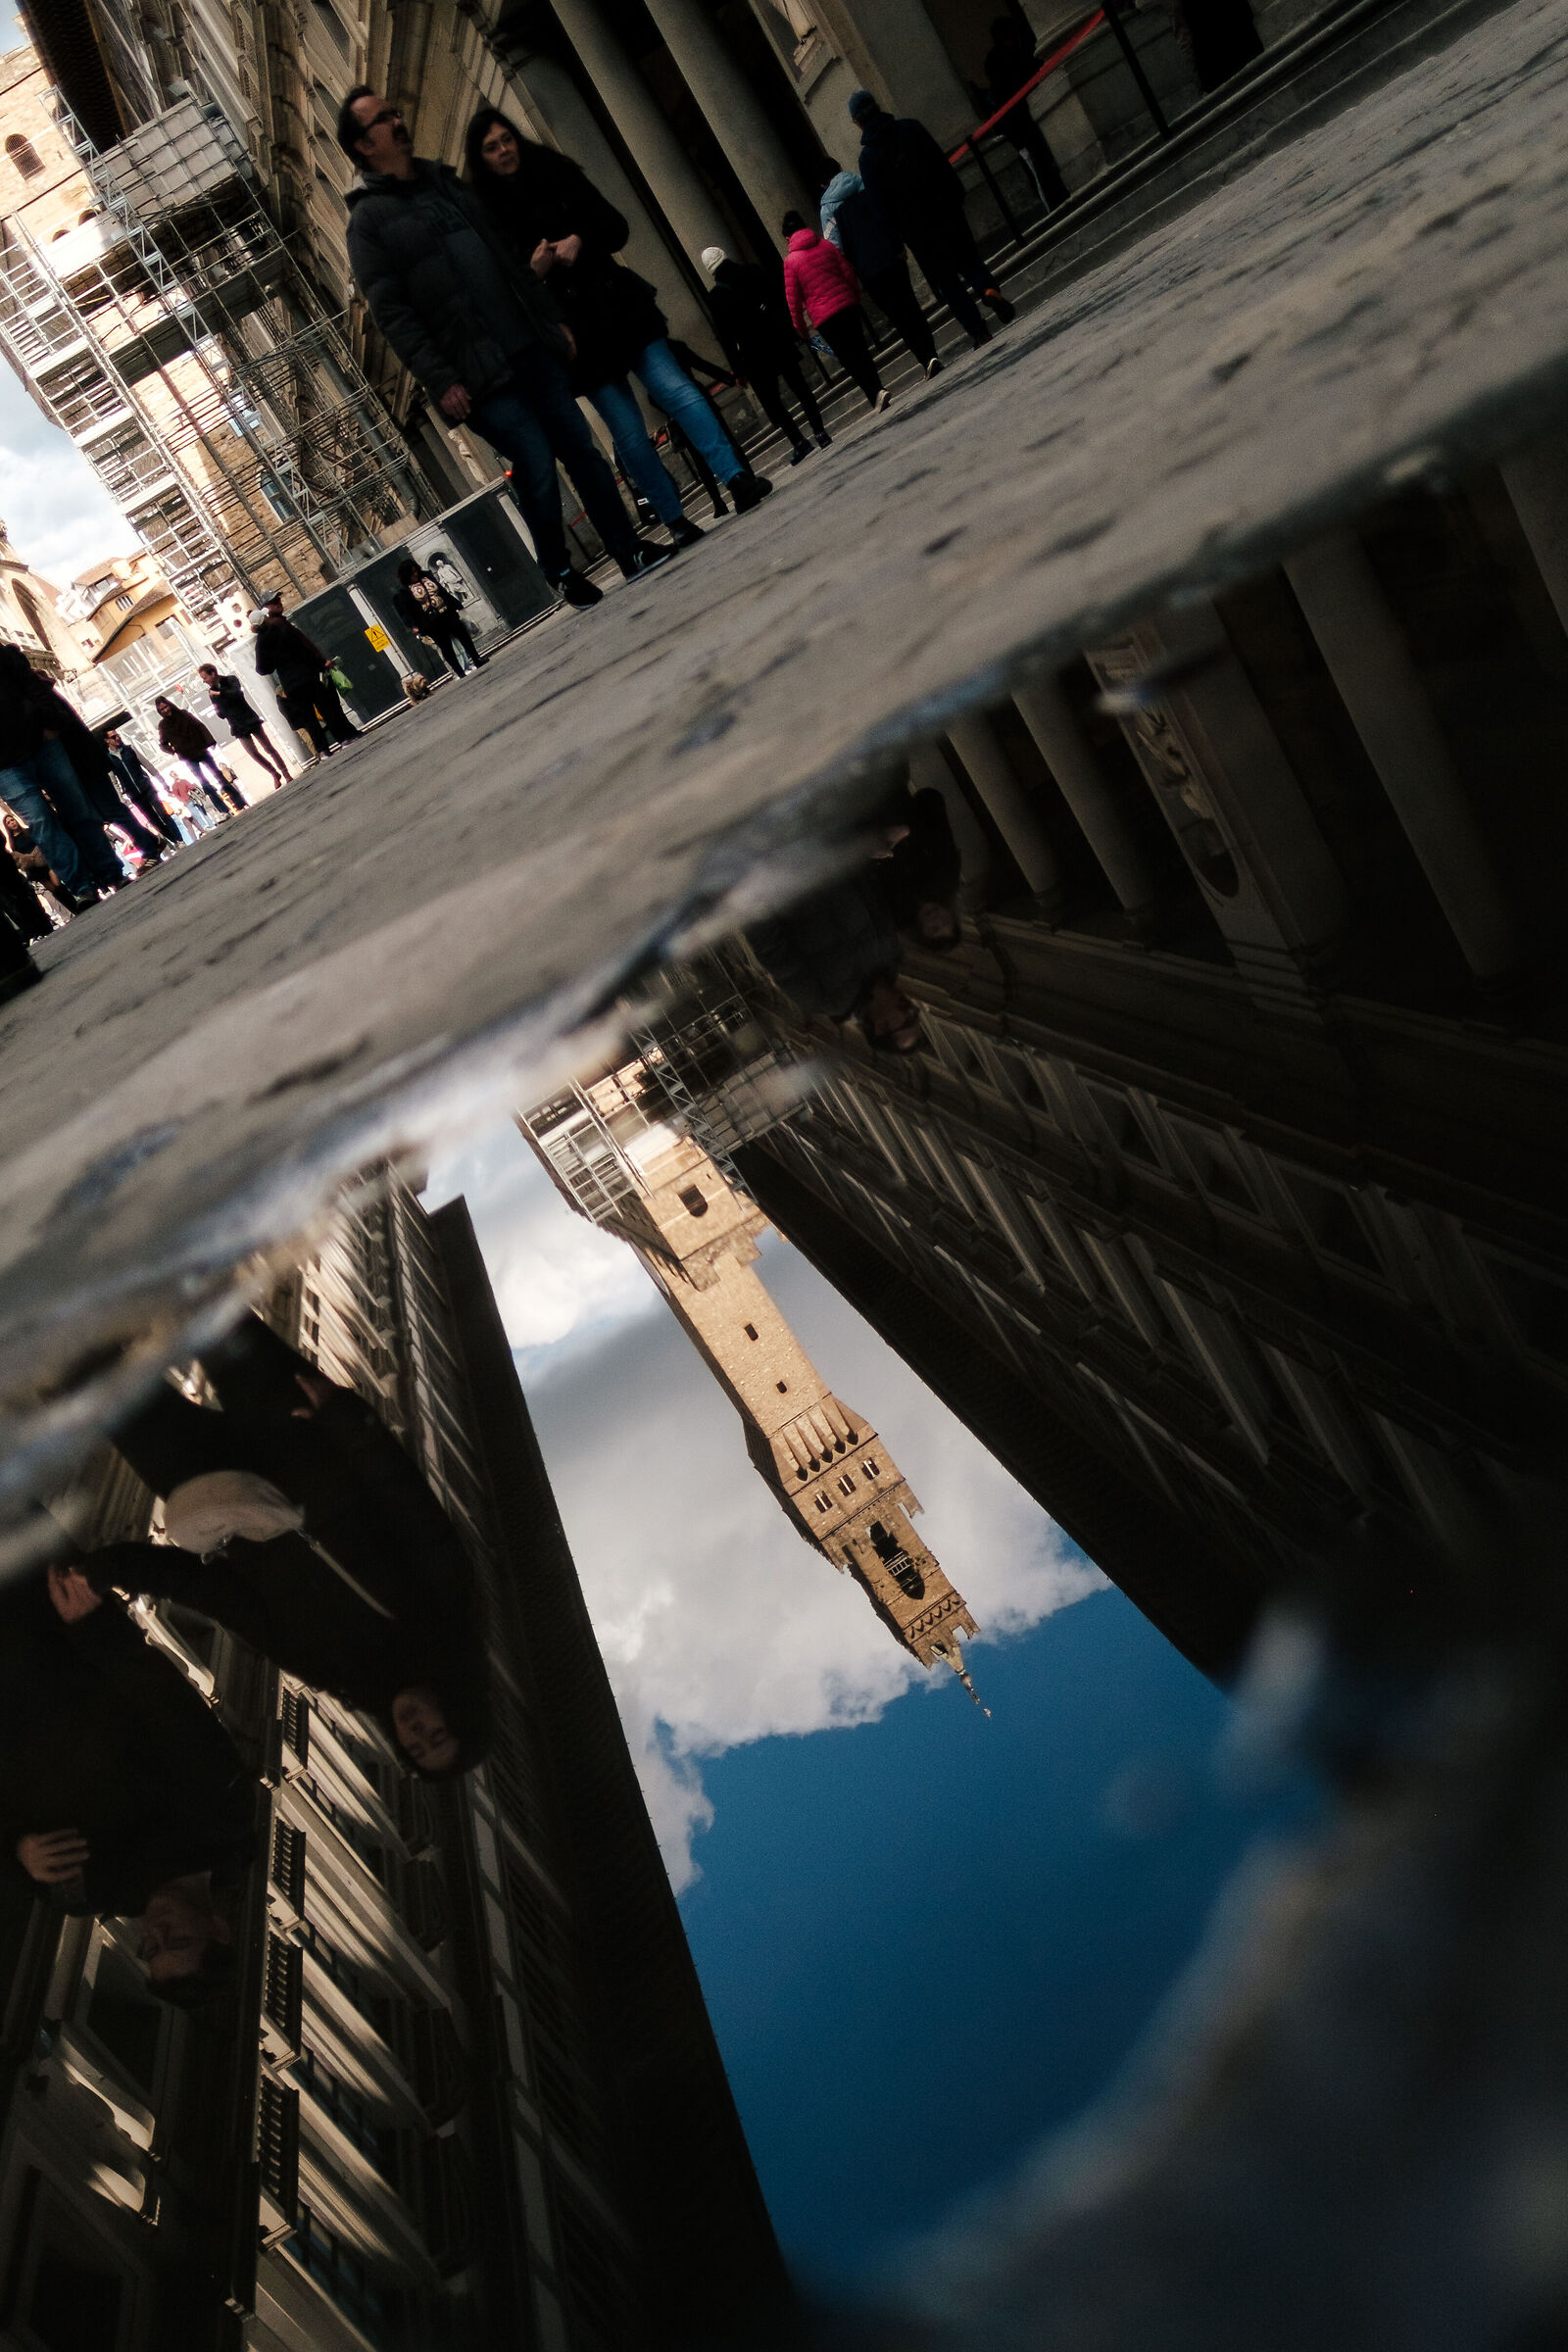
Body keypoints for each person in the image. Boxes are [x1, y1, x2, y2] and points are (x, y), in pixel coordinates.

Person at [86, 1312, 491, 1778]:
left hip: (222, 1493)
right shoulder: (451, 1610)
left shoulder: (335, 1672)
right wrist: (347, 1420)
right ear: (456, 1708)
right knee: (204, 1302)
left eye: (415, 1747)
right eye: (435, 1733)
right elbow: (407, 1502)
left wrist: (109, 1568)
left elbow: (220, 1598)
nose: (416, 1730)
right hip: (298, 1436)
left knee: (100, 1387)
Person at [342, 89, 662, 608]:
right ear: (363, 144)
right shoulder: (368, 224)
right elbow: (393, 314)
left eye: (396, 112)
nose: (398, 121)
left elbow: (509, 259)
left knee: (581, 449)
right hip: (476, 374)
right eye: (383, 119)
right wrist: (440, 380)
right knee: (535, 459)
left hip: (529, 345)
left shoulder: (446, 184)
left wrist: (550, 317)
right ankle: (559, 568)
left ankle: (629, 550)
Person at [465, 107, 770, 551]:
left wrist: (579, 239)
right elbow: (500, 294)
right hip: (575, 333)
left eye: (506, 139)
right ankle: (675, 519)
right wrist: (535, 272)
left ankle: (737, 479)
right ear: (482, 157)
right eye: (491, 147)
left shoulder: (557, 171)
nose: (504, 150)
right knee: (627, 430)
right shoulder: (484, 219)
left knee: (677, 390)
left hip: (617, 305)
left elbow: (616, 226)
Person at [0, 1557, 258, 1999]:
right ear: (218, 1928)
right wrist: (95, 1626)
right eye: (177, 1939)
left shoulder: (86, 1893)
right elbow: (169, 1706)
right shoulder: (221, 1817)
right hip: (39, 1631)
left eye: (151, 1947)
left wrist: (18, 1852)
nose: (157, 1931)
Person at [849, 88, 1014, 351]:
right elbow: (940, 162)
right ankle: (987, 289)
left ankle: (979, 331)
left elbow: (880, 205)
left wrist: (895, 242)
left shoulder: (868, 158)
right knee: (968, 257)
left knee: (946, 280)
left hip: (915, 227)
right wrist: (956, 193)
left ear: (858, 122)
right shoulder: (910, 128)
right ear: (878, 107)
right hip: (944, 206)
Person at [747, 868, 925, 1051]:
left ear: (880, 1028)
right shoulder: (892, 957)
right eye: (915, 1015)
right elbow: (870, 892)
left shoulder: (822, 999)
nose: (911, 1010)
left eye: (907, 1021)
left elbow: (770, 947)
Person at [0, 646, 123, 901]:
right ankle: (82, 887)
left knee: (77, 807)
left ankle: (110, 872)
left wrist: (49, 722)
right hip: (5, 766)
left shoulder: (3, 655)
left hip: (42, 742)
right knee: (41, 821)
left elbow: (32, 684)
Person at [702, 245, 830, 464]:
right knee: (801, 388)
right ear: (725, 255)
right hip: (777, 339)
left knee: (773, 402)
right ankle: (819, 431)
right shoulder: (753, 272)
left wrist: (737, 371)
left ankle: (798, 441)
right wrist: (793, 330)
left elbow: (726, 338)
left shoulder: (716, 297)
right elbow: (780, 301)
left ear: (709, 270)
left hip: (753, 354)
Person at [815, 165, 941, 376]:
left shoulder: (828, 208)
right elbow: (886, 213)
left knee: (896, 314)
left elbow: (835, 248)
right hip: (891, 255)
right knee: (910, 304)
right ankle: (931, 351)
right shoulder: (863, 182)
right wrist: (898, 244)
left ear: (822, 185)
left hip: (868, 269)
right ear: (839, 169)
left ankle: (925, 358)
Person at [781, 210, 889, 412]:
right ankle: (878, 387)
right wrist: (854, 296)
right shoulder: (825, 245)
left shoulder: (791, 262)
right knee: (860, 349)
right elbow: (847, 271)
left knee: (848, 357)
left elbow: (793, 301)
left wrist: (801, 328)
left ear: (788, 237)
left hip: (824, 317)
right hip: (847, 305)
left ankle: (874, 393)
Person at [980, 17, 1069, 213]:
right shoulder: (1006, 60)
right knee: (1041, 165)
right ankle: (1056, 202)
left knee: (1042, 164)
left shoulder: (1006, 59)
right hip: (1021, 121)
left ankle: (1057, 199)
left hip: (1023, 119)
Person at [392, 557, 487, 677]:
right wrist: (417, 626)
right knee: (446, 646)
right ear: (406, 575)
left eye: (415, 570)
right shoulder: (405, 591)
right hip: (431, 621)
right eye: (412, 573)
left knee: (464, 635)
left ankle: (476, 659)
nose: (415, 574)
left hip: (446, 612)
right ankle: (459, 671)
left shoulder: (427, 576)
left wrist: (455, 603)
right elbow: (408, 611)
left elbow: (442, 591)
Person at [197, 663, 290, 785]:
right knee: (253, 753)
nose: (204, 681)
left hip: (249, 718)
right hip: (236, 725)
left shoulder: (230, 680)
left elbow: (236, 694)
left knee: (268, 748)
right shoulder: (212, 691)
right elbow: (220, 713)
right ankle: (273, 772)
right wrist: (219, 705)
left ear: (212, 673)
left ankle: (285, 773)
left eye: (205, 677)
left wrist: (220, 695)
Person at [155, 696, 245, 813]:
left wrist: (210, 742)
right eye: (162, 709)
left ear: (169, 705)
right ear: (159, 712)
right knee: (204, 782)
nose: (165, 710)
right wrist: (174, 750)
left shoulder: (184, 714)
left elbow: (200, 726)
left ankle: (239, 803)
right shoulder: (163, 726)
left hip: (200, 749)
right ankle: (223, 810)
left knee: (219, 776)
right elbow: (162, 744)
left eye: (165, 707)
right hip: (187, 756)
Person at [104, 728, 182, 846]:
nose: (117, 738)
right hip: (133, 794)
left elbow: (147, 765)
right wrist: (120, 798)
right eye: (113, 737)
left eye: (117, 735)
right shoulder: (109, 759)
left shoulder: (130, 749)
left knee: (162, 813)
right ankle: (173, 840)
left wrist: (162, 781)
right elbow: (114, 781)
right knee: (152, 819)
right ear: (107, 740)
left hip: (146, 787)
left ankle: (179, 839)